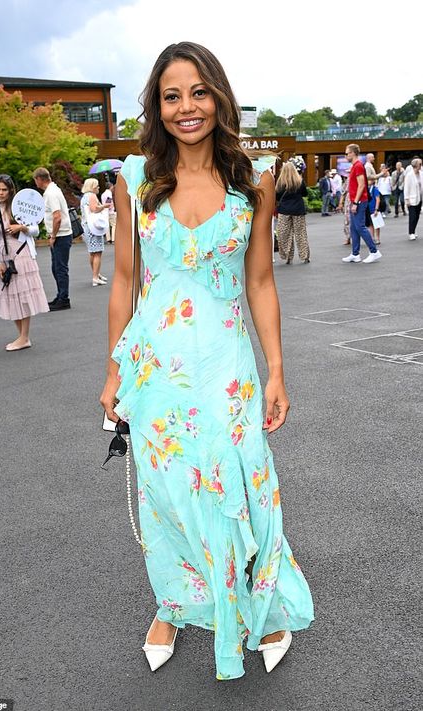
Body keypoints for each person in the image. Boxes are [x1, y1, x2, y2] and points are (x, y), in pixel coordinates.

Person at [100, 41, 314, 681]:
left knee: (240, 485)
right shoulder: (135, 179)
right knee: (168, 490)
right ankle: (172, 604)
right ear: (156, 106)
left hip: (226, 363)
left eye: (198, 92)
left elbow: (261, 284)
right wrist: (114, 372)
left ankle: (263, 602)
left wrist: (276, 370)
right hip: (156, 365)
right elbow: (123, 281)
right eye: (172, 95)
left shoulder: (254, 180)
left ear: (219, 97)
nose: (186, 107)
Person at [0, 174, 49, 351]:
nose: (0, 193)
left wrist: (21, 227)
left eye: (4, 189)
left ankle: (24, 336)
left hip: (21, 252)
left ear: (10, 190)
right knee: (9, 293)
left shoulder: (19, 206)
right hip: (2, 253)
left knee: (22, 295)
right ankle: (21, 335)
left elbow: (36, 229)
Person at [33, 167, 72, 311]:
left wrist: (53, 235)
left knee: (60, 268)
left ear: (39, 179)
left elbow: (57, 216)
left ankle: (64, 298)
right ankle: (61, 295)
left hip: (60, 235)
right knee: (56, 267)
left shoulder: (51, 193)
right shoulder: (53, 190)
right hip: (61, 234)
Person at [342, 144, 382, 264]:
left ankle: (374, 251)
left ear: (353, 153)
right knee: (354, 228)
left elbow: (362, 185)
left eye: (347, 153)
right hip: (356, 200)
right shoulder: (356, 166)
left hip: (359, 201)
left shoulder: (358, 166)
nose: (345, 155)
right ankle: (355, 254)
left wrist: (355, 202)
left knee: (360, 227)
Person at [275, 161, 310, 264]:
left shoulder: (280, 182)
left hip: (284, 210)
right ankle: (305, 256)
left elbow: (276, 197)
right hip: (298, 210)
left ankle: (288, 256)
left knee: (285, 234)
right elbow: (305, 193)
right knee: (301, 233)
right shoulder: (300, 181)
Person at [80, 178, 109, 286]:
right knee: (97, 252)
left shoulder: (84, 197)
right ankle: (95, 277)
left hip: (87, 226)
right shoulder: (91, 196)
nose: (98, 188)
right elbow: (94, 209)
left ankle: (96, 273)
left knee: (92, 252)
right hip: (94, 228)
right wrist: (104, 206)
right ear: (92, 187)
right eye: (97, 186)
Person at [403, 158, 422, 240]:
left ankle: (413, 231)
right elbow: (406, 187)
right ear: (415, 165)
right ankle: (411, 233)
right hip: (411, 199)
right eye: (420, 164)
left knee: (417, 216)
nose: (421, 166)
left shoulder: (421, 173)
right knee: (412, 216)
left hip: (420, 198)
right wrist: (407, 199)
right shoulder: (409, 175)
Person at [367, 177, 381, 245]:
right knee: (370, 224)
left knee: (376, 224)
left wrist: (376, 209)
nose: (369, 181)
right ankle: (372, 238)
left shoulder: (375, 189)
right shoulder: (366, 189)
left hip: (374, 208)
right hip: (368, 209)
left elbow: (378, 199)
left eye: (370, 180)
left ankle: (377, 238)